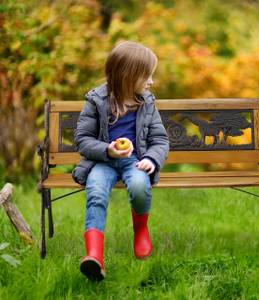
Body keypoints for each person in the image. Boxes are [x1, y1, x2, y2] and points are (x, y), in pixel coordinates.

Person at [72, 40, 169, 281]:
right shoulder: (96, 100)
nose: (151, 81)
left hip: (134, 161)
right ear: (129, 76)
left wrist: (151, 159)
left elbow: (160, 140)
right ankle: (94, 256)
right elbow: (82, 140)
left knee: (138, 185)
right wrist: (108, 150)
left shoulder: (146, 103)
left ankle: (141, 231)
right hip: (103, 161)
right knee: (95, 192)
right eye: (147, 76)